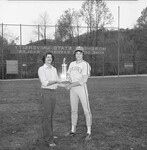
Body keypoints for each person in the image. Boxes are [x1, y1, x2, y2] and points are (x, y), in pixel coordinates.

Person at [65, 46, 92, 141]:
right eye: (77, 53)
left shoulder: (86, 64)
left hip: (81, 88)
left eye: (80, 53)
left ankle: (89, 132)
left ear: (83, 54)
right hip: (73, 90)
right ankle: (73, 130)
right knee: (73, 110)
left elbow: (83, 80)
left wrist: (71, 85)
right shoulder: (71, 64)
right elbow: (68, 75)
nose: (78, 55)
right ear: (75, 54)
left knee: (86, 110)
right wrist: (67, 81)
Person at [38, 52, 61, 147]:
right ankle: (49, 139)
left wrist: (67, 84)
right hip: (46, 92)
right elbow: (45, 82)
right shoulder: (41, 69)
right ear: (44, 58)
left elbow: (58, 81)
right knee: (47, 116)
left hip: (53, 93)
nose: (49, 58)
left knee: (50, 116)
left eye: (51, 57)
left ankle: (50, 134)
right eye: (47, 57)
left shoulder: (54, 69)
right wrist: (56, 81)